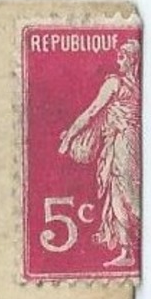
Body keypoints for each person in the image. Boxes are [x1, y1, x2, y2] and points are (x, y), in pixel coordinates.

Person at [57, 39, 141, 269]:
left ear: (133, 61)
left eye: (123, 57)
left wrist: (69, 137)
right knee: (128, 192)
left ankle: (128, 252)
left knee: (123, 193)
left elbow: (92, 111)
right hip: (131, 143)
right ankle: (129, 250)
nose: (119, 61)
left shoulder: (115, 83)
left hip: (123, 145)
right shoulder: (138, 87)